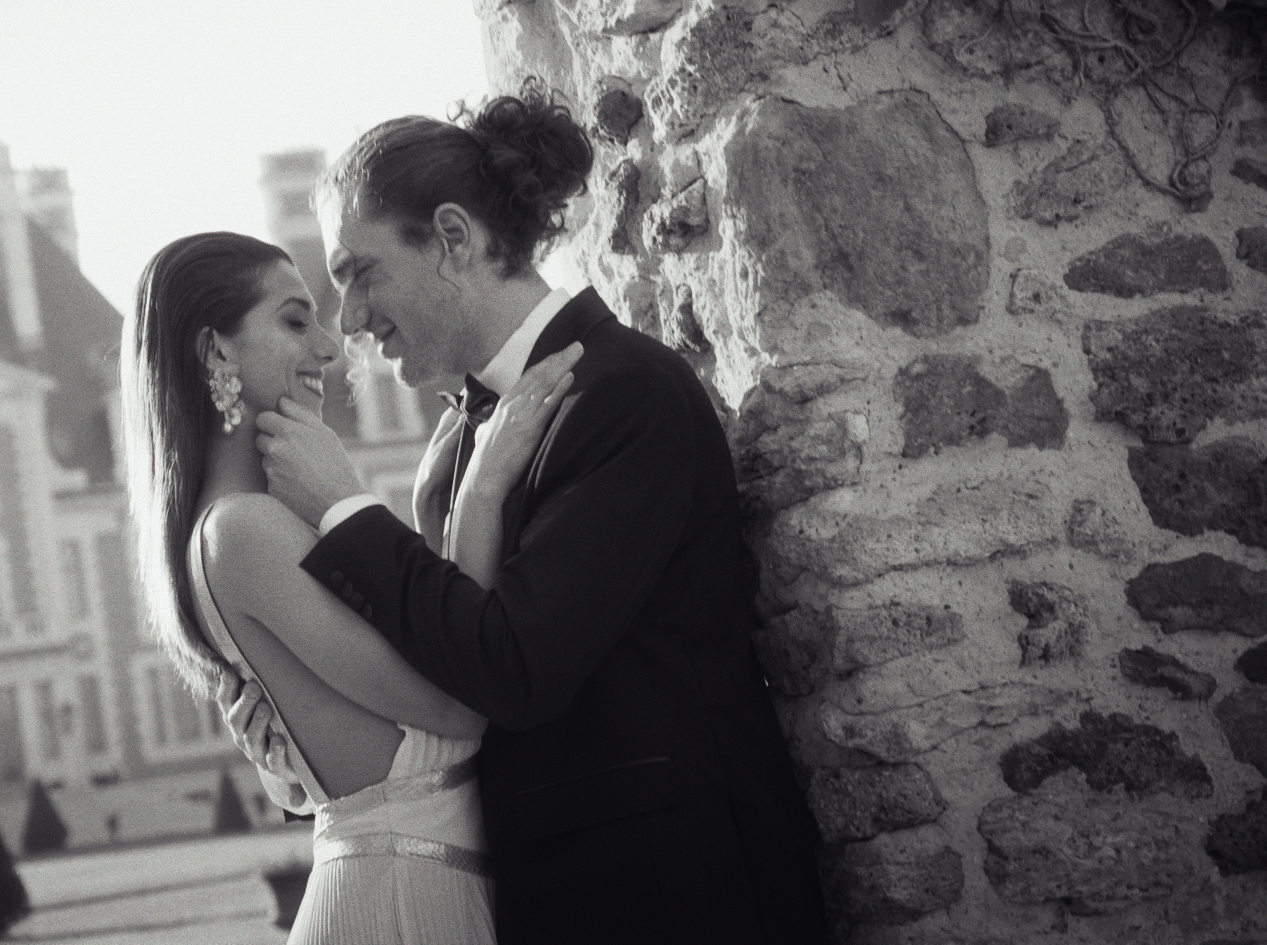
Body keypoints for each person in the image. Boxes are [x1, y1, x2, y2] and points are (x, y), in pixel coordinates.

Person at [236, 83, 832, 943]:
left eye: (359, 272)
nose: (353, 320)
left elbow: (516, 666)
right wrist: (305, 733)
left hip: (683, 893)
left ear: (452, 238)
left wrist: (342, 507)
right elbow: (447, 688)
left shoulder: (628, 393)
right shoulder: (450, 454)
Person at [120, 229, 578, 943]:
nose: (331, 349)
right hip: (401, 901)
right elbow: (459, 704)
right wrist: (484, 490)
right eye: (295, 320)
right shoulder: (243, 530)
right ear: (216, 350)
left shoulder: (253, 522)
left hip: (412, 883)